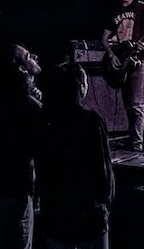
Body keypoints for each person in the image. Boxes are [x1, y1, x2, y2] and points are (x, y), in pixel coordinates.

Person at [37, 62, 115, 249]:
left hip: (55, 211)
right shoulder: (91, 122)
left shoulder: (45, 119)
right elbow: (103, 169)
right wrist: (105, 204)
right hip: (88, 213)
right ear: (80, 87)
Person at [0, 43, 42, 249]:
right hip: (18, 190)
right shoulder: (30, 106)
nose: (34, 57)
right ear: (21, 68)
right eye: (28, 55)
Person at [101, 0, 144, 151]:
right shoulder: (114, 10)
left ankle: (137, 144)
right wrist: (112, 55)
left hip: (140, 60)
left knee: (137, 103)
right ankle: (132, 138)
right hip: (122, 59)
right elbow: (104, 39)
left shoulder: (142, 8)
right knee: (128, 102)